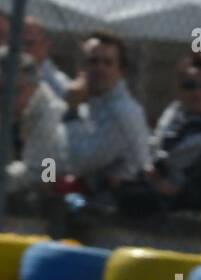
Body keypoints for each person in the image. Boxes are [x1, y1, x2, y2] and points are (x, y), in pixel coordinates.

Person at [118, 52, 201, 215]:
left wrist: (180, 189)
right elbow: (154, 150)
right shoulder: (174, 115)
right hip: (165, 189)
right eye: (190, 85)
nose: (198, 93)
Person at [61, 30, 150, 197]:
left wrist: (71, 111)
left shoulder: (123, 112)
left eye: (108, 63)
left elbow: (77, 163)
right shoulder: (90, 103)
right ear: (81, 68)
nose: (99, 68)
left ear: (121, 70)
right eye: (93, 61)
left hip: (118, 210)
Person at [0, 47, 65, 199]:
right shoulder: (14, 108)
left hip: (49, 192)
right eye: (1, 91)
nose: (6, 99)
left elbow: (39, 172)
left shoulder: (51, 112)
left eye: (15, 91)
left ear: (34, 86)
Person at [22, 17, 70, 98]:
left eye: (29, 43)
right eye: (19, 43)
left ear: (45, 46)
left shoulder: (62, 84)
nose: (23, 49)